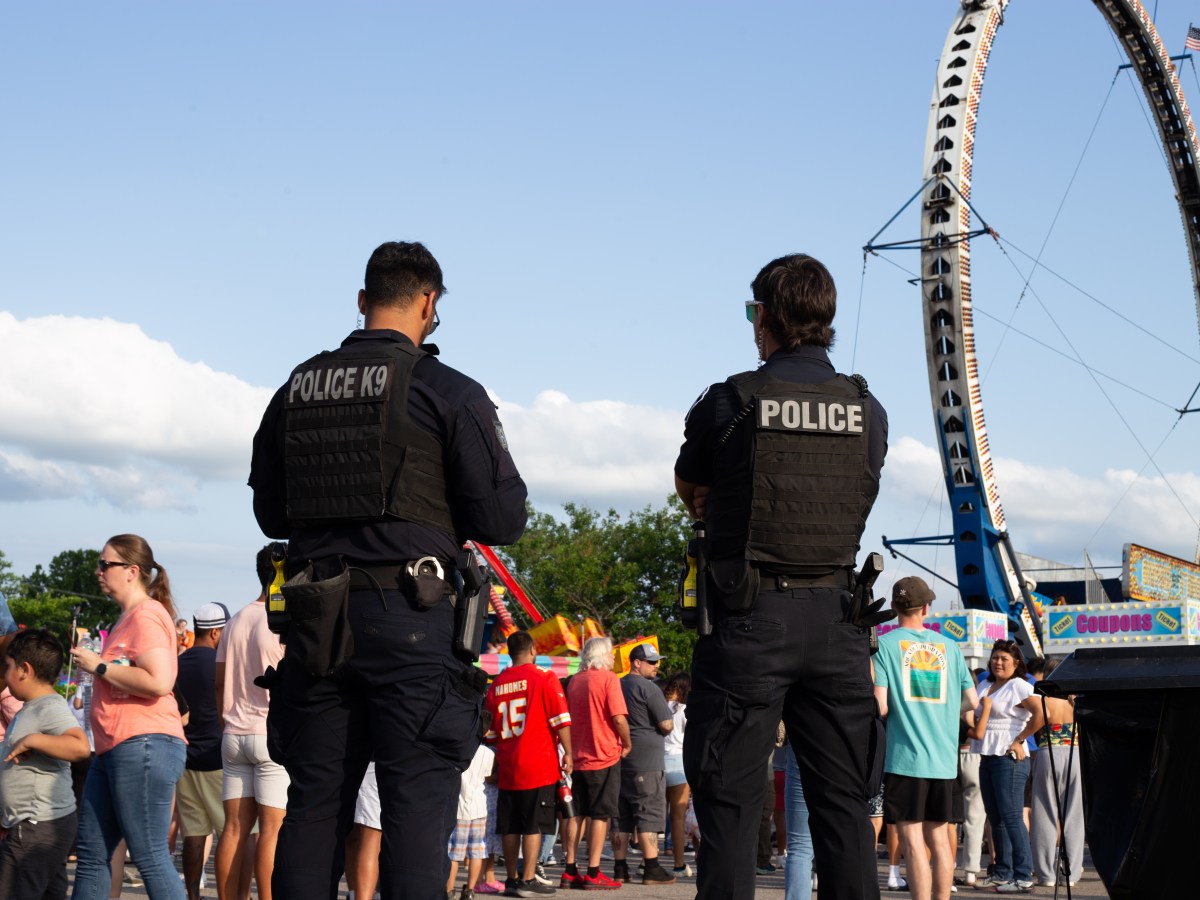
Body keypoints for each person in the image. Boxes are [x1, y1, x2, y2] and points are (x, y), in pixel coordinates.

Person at [249, 241, 528, 900]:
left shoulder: (297, 387)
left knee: (314, 809)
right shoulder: (449, 392)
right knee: (414, 817)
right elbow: (502, 518)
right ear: (429, 304)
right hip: (413, 618)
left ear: (361, 300)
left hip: (318, 622)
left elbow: (269, 512)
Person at [675, 253, 889, 900]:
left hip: (748, 620)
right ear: (824, 321)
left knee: (732, 813)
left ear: (766, 317)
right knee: (846, 814)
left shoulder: (729, 401)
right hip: (838, 622)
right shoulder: (866, 407)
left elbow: (693, 488)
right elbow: (862, 492)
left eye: (752, 313)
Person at [68, 534, 188, 900]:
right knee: (91, 854)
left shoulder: (147, 615)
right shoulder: (128, 618)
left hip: (144, 744)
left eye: (106, 564)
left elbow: (159, 680)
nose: (98, 571)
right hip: (116, 749)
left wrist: (99, 665)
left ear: (132, 571)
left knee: (150, 855)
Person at [872, 577, 978, 900]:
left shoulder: (885, 646)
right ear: (927, 607)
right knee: (940, 840)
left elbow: (881, 705)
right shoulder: (949, 646)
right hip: (944, 760)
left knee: (912, 842)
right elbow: (972, 702)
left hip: (906, 759)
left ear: (893, 608)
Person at [215, 545, 291, 900]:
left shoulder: (235, 621)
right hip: (269, 734)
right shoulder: (282, 622)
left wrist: (226, 720)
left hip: (233, 733)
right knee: (271, 832)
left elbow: (220, 681)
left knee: (233, 830)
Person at [0, 628, 91, 900]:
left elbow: (80, 746)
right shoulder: (31, 707)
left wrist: (34, 740)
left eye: (7, 667)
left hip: (35, 827)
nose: (5, 675)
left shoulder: (48, 706)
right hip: (38, 825)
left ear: (24, 670)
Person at [484, 631, 571, 897]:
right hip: (539, 763)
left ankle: (510, 878)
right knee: (534, 824)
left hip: (508, 762)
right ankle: (528, 878)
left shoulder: (497, 684)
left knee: (510, 825)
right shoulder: (544, 678)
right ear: (533, 650)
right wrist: (569, 752)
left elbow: (491, 731)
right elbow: (561, 719)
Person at [562, 636, 630, 891]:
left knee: (576, 814)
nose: (614, 657)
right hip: (604, 754)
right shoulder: (609, 679)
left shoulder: (575, 681)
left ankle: (569, 869)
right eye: (611, 653)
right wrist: (627, 743)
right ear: (602, 655)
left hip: (578, 755)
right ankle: (593, 871)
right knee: (601, 816)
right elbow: (619, 718)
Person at [967, 640, 1034, 893]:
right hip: (987, 756)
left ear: (1016, 663)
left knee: (1012, 817)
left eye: (1005, 659)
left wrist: (1020, 740)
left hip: (1010, 758)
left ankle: (1023, 874)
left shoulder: (1019, 685)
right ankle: (1002, 872)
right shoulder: (985, 684)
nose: (999, 662)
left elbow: (1039, 713)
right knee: (996, 818)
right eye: (995, 658)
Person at [175, 602, 229, 900]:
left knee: (193, 835)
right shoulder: (221, 663)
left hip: (186, 756)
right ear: (216, 632)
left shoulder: (177, 663)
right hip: (217, 757)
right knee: (232, 833)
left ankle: (192, 895)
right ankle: (232, 893)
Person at [610, 643, 675, 885]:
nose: (657, 666)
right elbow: (666, 724)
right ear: (636, 662)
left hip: (618, 758)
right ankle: (652, 868)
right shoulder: (649, 688)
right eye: (651, 662)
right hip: (647, 760)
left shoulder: (615, 685)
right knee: (649, 813)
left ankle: (619, 868)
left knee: (620, 815)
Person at [1024, 658, 1083, 888]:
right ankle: (1072, 872)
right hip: (1076, 754)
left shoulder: (1044, 700)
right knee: (1074, 816)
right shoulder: (1077, 701)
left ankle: (1047, 874)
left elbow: (1032, 716)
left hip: (1048, 753)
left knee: (1045, 814)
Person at [446, 742, 496, 900]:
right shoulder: (489, 753)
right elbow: (488, 776)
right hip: (480, 807)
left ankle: (449, 890)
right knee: (477, 852)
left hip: (459, 807)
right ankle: (470, 890)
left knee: (454, 853)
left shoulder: (457, 747)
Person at [661, 672, 692, 878]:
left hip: (659, 761)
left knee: (656, 816)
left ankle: (649, 861)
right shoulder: (686, 710)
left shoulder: (660, 706)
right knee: (678, 816)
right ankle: (679, 864)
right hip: (680, 762)